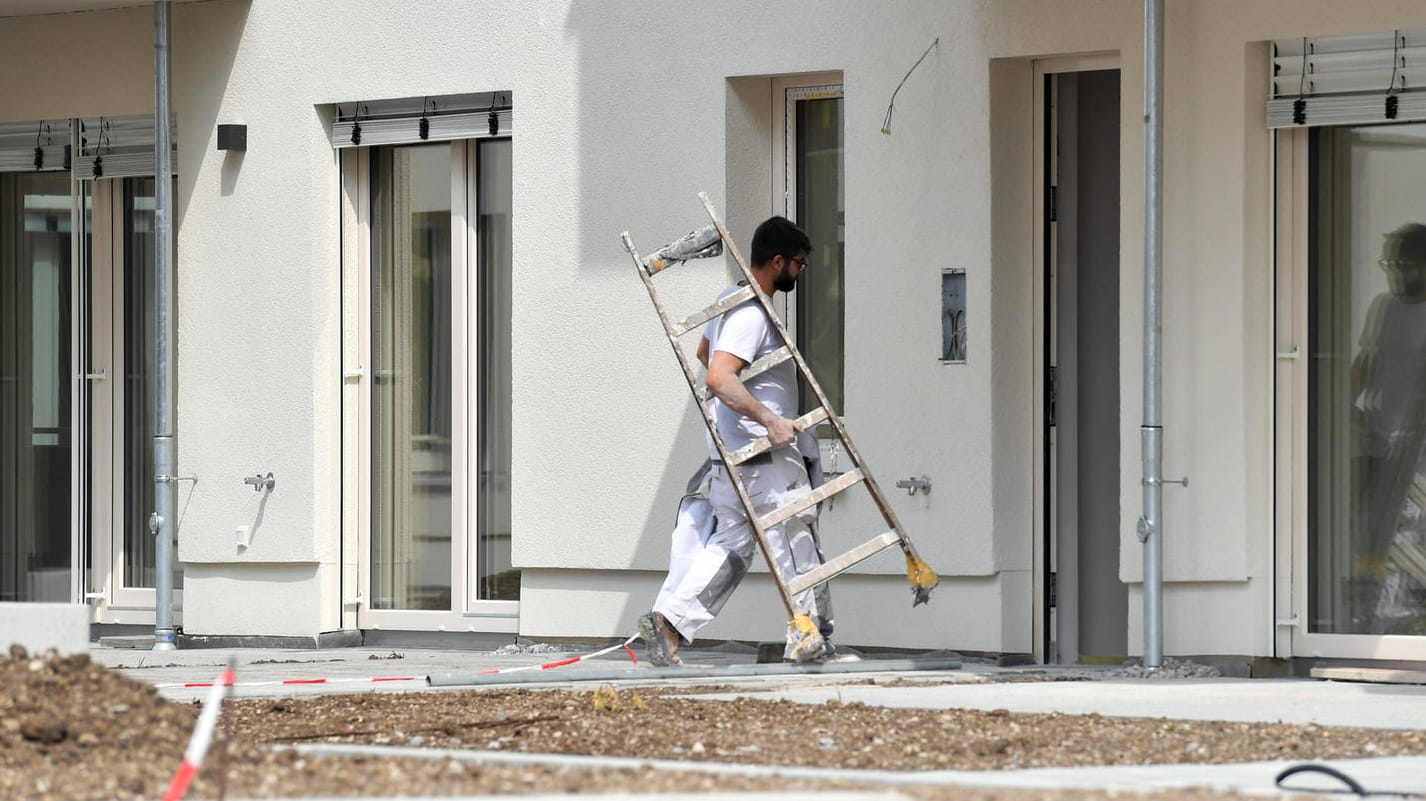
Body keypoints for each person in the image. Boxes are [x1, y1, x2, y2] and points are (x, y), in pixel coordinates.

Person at [639, 216, 835, 666]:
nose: (800, 274)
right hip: (763, 458)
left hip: (731, 459)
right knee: (796, 540)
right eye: (799, 266)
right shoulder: (753, 311)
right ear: (778, 261)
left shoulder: (731, 299)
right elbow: (718, 374)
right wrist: (770, 419)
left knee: (731, 545)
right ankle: (810, 638)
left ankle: (668, 624)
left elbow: (707, 353)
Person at [1352, 223, 1426, 634]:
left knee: (1414, 531)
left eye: (1407, 265)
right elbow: (1366, 361)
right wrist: (1341, 406)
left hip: (1420, 448)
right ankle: (1378, 617)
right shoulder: (1384, 306)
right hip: (1381, 439)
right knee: (1376, 529)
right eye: (1391, 264)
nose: (1397, 274)